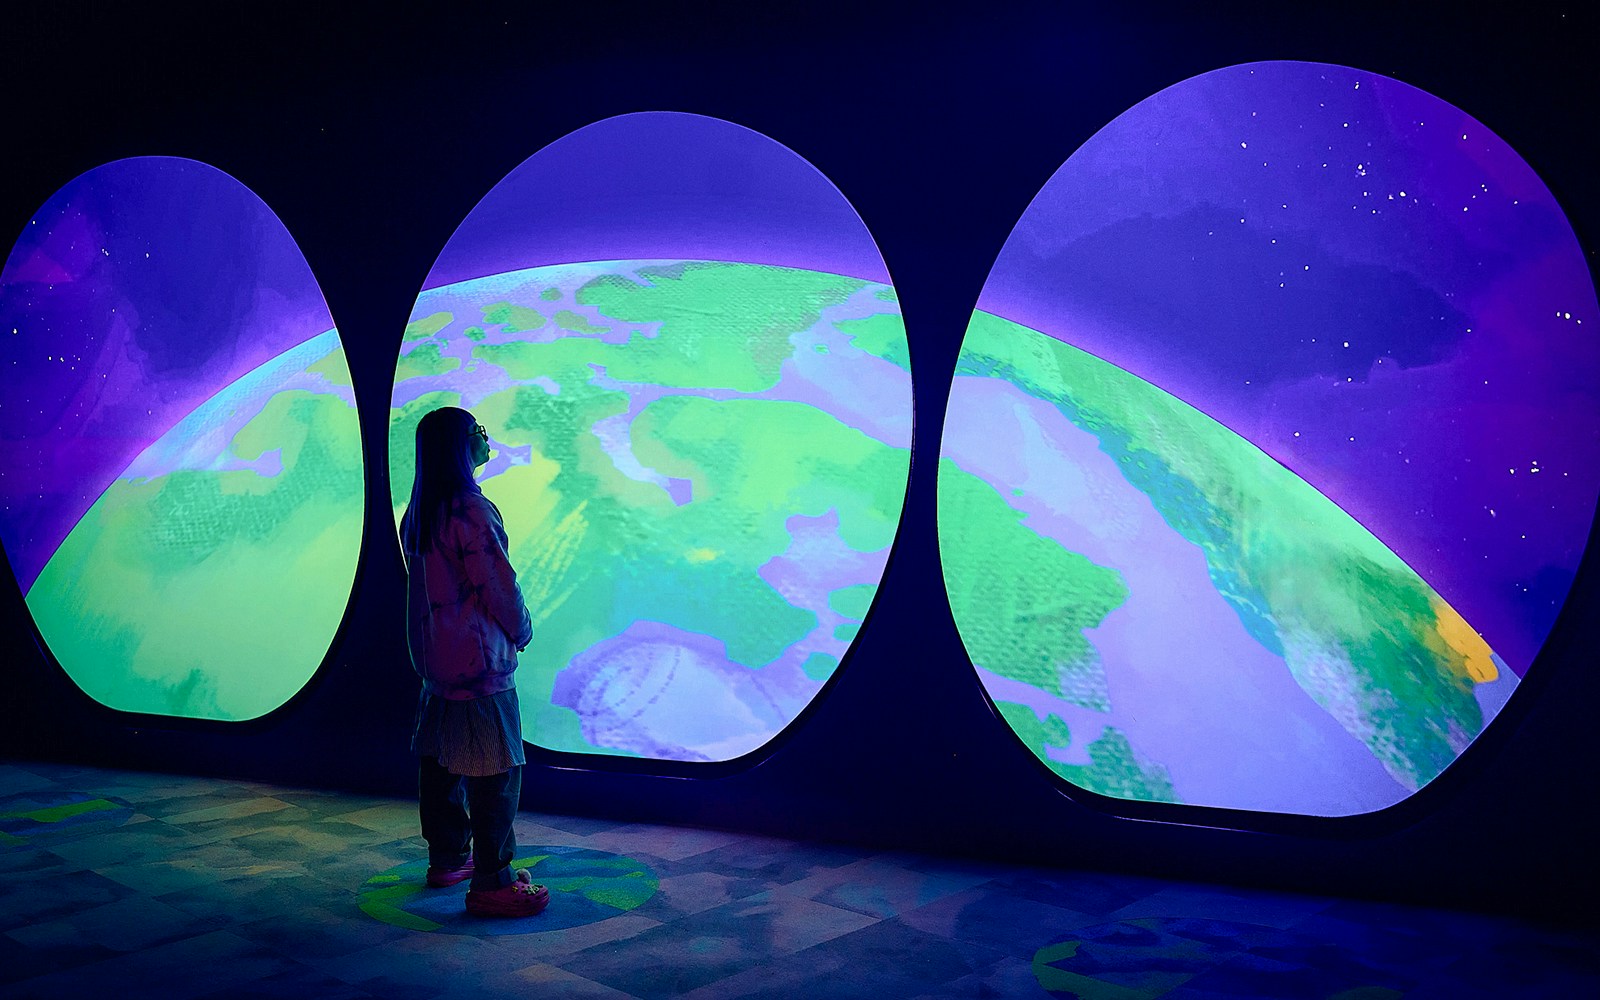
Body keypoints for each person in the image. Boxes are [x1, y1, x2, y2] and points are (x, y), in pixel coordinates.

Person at [400, 406, 548, 918]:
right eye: (480, 432)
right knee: (497, 771)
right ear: (463, 446)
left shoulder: (418, 513)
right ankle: (492, 880)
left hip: (436, 664)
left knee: (440, 762)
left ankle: (448, 858)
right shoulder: (472, 511)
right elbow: (498, 588)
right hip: (481, 666)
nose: (488, 438)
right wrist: (522, 630)